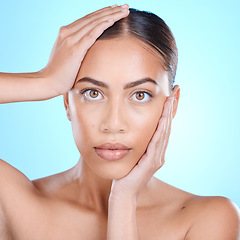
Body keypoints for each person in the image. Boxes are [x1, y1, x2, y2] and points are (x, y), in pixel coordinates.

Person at [0, 4, 239, 240]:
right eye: (92, 93)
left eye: (140, 95)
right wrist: (44, 81)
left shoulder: (209, 219)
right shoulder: (14, 201)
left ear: (171, 105)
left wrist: (123, 201)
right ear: (66, 103)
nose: (113, 124)